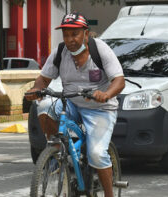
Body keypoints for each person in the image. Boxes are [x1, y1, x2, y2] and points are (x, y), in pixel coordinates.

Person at [25, 12, 125, 197]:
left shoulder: (100, 49)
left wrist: (106, 94)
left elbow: (119, 81)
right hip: (70, 103)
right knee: (44, 106)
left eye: (74, 34)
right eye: (66, 35)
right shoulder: (60, 52)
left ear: (86, 34)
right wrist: (35, 90)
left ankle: (109, 194)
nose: (69, 39)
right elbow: (43, 80)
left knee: (96, 154)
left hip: (100, 109)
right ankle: (56, 150)